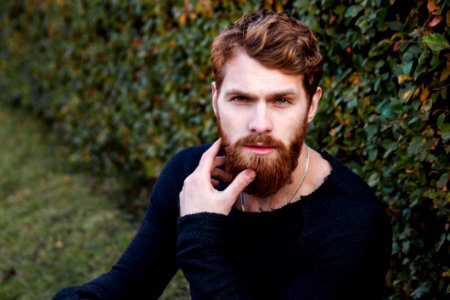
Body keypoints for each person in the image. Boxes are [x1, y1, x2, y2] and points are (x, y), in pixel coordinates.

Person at [54, 9, 392, 300]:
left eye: (282, 101)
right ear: (216, 100)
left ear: (312, 105)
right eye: (241, 99)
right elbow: (126, 287)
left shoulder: (351, 222)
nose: (260, 124)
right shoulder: (191, 175)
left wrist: (200, 232)